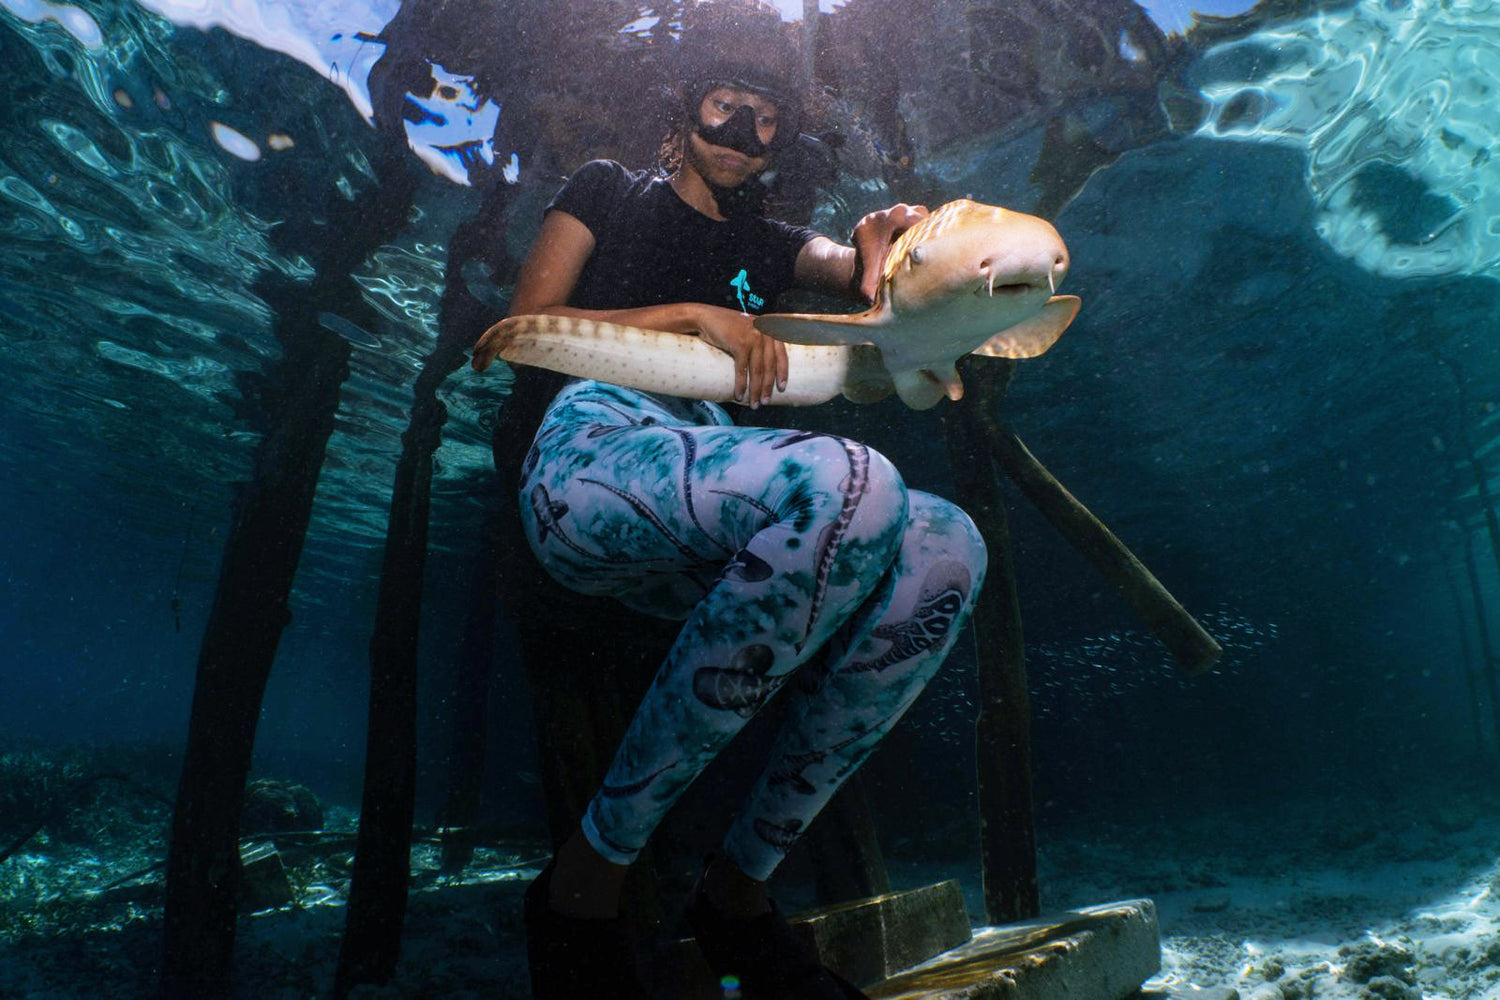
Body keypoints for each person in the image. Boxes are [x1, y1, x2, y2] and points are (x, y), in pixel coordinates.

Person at [474, 11, 988, 999]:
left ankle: (738, 891)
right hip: (588, 453)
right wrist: (695, 316)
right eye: (725, 108)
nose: (742, 135)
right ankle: (588, 877)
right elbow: (520, 324)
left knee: (946, 544)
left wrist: (899, 243)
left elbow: (856, 266)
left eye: (765, 123)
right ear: (685, 108)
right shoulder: (606, 191)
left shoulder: (773, 241)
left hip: (716, 486)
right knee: (854, 479)